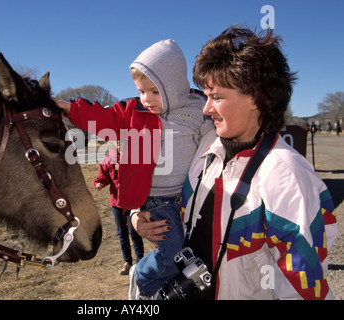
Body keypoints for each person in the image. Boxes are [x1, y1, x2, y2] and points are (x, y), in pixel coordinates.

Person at [131, 26, 338, 300]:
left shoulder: (288, 176)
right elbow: (158, 182)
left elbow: (303, 289)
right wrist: (137, 215)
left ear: (255, 97)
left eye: (216, 97)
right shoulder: (204, 144)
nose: (206, 108)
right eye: (206, 96)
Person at [55, 39, 213, 298]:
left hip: (189, 197)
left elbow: (217, 141)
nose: (145, 99)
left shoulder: (199, 109)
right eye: (141, 91)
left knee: (190, 251)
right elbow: (104, 118)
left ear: (173, 85)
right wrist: (71, 109)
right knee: (174, 252)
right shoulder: (134, 112)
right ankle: (145, 281)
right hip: (156, 200)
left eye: (153, 91)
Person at [93, 144, 144, 275]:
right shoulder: (109, 158)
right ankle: (127, 262)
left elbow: (140, 175)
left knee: (135, 232)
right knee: (122, 234)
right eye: (118, 140)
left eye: (123, 140)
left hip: (131, 202)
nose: (120, 143)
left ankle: (140, 262)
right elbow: (103, 177)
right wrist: (99, 184)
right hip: (116, 202)